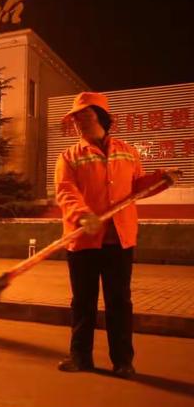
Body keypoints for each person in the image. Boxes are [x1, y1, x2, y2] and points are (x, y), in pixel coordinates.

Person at [55, 92, 180, 378]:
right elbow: (65, 191)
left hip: (119, 240)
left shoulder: (127, 151)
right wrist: (82, 214)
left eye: (85, 116)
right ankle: (80, 357)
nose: (80, 123)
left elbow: (138, 185)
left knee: (119, 302)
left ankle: (123, 361)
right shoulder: (69, 156)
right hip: (83, 240)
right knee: (83, 301)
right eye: (76, 119)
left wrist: (162, 177)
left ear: (101, 117)